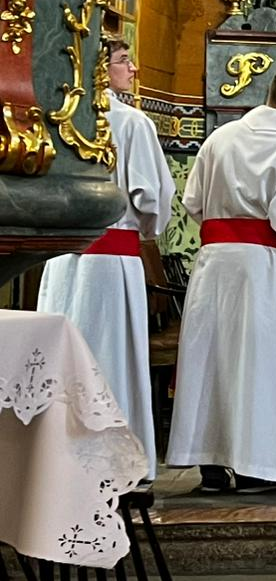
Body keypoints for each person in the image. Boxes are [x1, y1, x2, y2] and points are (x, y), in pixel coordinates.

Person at [166, 61, 276, 493]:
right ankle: (256, 468)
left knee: (210, 358)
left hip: (214, 262)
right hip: (262, 266)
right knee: (261, 362)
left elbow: (193, 202)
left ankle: (211, 467)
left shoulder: (219, 138)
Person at [37, 39, 174, 483]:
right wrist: (147, 230)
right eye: (122, 61)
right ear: (99, 69)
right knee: (110, 357)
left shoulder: (56, 118)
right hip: (113, 262)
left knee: (66, 356)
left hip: (61, 262)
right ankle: (116, 464)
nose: (132, 69)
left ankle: (59, 459)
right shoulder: (132, 122)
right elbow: (152, 196)